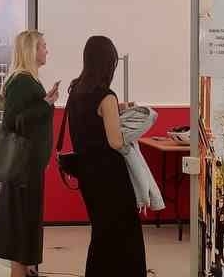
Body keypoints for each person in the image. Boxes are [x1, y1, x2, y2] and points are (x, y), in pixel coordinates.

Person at [65, 35, 146, 276]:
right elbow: (115, 141)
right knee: (125, 235)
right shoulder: (106, 96)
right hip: (111, 177)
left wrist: (117, 110)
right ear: (108, 64)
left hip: (88, 174)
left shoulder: (75, 91)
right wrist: (135, 130)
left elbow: (91, 120)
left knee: (101, 234)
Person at [0, 30, 58, 277]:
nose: (47, 51)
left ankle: (25, 270)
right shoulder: (22, 81)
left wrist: (44, 102)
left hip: (29, 165)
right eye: (43, 46)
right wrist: (45, 104)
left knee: (24, 225)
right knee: (21, 227)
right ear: (32, 50)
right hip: (24, 168)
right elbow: (14, 121)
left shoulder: (29, 81)